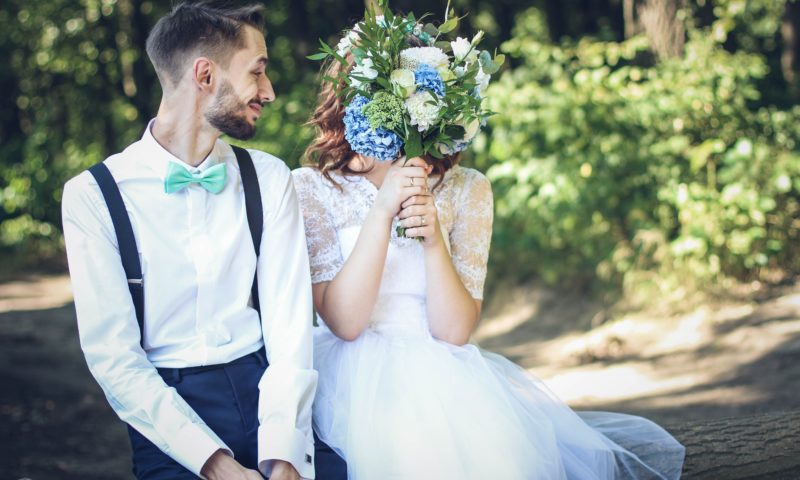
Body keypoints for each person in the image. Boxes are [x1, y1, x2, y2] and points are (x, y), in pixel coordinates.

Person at [290, 34, 686, 480]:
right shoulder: (311, 187)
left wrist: (434, 238)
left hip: (442, 373)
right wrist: (383, 212)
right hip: (347, 380)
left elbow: (454, 330)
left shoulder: (467, 188)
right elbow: (344, 323)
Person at [62, 2, 346, 479]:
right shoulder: (92, 197)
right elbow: (115, 360)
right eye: (258, 72)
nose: (269, 92)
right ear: (205, 74)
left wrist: (284, 458)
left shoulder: (269, 178)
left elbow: (290, 328)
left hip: (269, 395)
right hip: (170, 418)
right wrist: (215, 465)